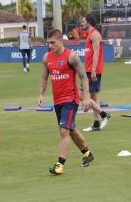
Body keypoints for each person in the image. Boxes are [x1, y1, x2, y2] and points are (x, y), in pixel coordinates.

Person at [38, 29, 95, 175]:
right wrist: (40, 94)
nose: (50, 46)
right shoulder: (46, 58)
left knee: (64, 130)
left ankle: (60, 164)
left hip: (71, 99)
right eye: (48, 43)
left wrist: (87, 97)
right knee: (71, 129)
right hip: (57, 101)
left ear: (61, 41)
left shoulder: (72, 57)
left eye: (53, 43)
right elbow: (44, 78)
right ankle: (87, 153)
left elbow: (83, 77)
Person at [80, 14, 111, 132]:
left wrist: (92, 70)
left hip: (93, 71)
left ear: (88, 22)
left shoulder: (94, 34)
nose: (81, 23)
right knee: (94, 97)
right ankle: (96, 124)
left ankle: (104, 115)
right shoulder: (90, 35)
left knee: (82, 95)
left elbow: (96, 53)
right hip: (90, 70)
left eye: (83, 21)